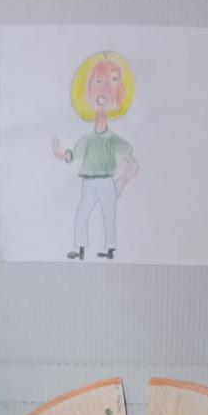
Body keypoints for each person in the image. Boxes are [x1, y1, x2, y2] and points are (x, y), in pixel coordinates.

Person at [52, 51, 139, 260]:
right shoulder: (87, 140)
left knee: (109, 217)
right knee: (82, 215)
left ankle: (110, 250)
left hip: (107, 182)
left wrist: (121, 183)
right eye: (97, 81)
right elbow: (72, 156)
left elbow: (134, 165)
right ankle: (81, 250)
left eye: (112, 80)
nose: (103, 90)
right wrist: (60, 154)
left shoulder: (114, 140)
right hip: (89, 182)